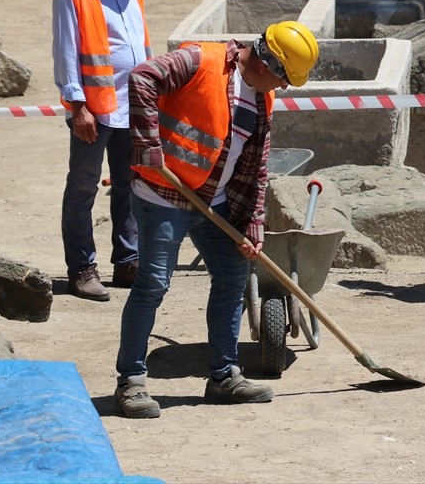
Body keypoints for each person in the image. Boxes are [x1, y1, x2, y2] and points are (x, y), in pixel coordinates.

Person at [113, 20, 319, 419]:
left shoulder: (262, 97)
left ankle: (224, 377)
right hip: (163, 195)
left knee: (234, 276)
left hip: (216, 201)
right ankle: (131, 383)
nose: (286, 87)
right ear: (267, 62)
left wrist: (254, 222)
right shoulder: (200, 60)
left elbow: (256, 165)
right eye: (285, 77)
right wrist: (147, 142)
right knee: (153, 284)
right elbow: (141, 77)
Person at [52, 0, 154, 301]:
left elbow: (140, 42)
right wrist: (78, 107)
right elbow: (65, 51)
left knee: (131, 185)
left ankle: (128, 261)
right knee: (83, 187)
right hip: (94, 110)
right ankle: (81, 269)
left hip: (133, 104)